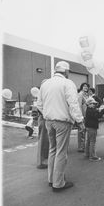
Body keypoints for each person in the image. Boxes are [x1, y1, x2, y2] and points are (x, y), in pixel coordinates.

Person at [37, 61, 84, 192]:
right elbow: (73, 104)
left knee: (53, 150)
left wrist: (47, 113)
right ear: (67, 72)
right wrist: (80, 121)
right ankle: (58, 183)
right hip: (62, 122)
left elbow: (39, 104)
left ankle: (51, 179)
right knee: (61, 152)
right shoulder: (67, 83)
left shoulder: (45, 83)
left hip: (49, 121)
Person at [84, 97, 104, 161]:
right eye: (92, 104)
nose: (94, 105)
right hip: (92, 127)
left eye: (94, 104)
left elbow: (96, 111)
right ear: (88, 104)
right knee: (92, 141)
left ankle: (87, 153)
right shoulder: (91, 110)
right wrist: (103, 110)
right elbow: (98, 115)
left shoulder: (89, 109)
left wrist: (99, 109)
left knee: (88, 141)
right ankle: (92, 156)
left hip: (88, 127)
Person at [36, 80, 49, 169]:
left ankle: (44, 160)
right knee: (43, 140)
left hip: (45, 118)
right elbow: (39, 107)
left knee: (46, 140)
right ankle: (41, 162)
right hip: (44, 118)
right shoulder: (42, 94)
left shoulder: (45, 93)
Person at [77, 82, 90, 152]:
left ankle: (83, 146)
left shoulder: (86, 95)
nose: (86, 87)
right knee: (81, 130)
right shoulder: (80, 94)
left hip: (86, 115)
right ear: (81, 87)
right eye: (84, 86)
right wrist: (80, 116)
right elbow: (78, 105)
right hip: (82, 115)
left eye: (87, 86)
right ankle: (81, 147)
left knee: (84, 131)